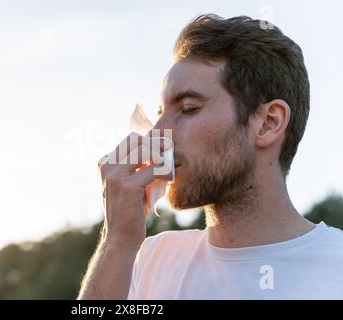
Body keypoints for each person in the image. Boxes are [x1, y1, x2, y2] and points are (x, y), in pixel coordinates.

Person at [77, 14, 343, 299]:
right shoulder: (147, 261)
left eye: (189, 108)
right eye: (159, 114)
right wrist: (116, 241)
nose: (157, 133)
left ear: (268, 123)